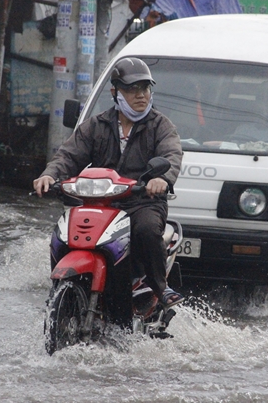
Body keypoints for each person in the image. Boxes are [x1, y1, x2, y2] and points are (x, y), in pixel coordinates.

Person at [33, 57, 185, 309]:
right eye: (133, 89)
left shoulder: (161, 126)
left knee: (146, 230)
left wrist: (161, 179)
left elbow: (172, 155)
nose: (141, 95)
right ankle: (59, 289)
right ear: (115, 92)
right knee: (63, 234)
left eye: (145, 88)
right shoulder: (96, 125)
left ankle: (160, 286)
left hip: (142, 202)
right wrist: (50, 175)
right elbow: (69, 155)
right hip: (101, 203)